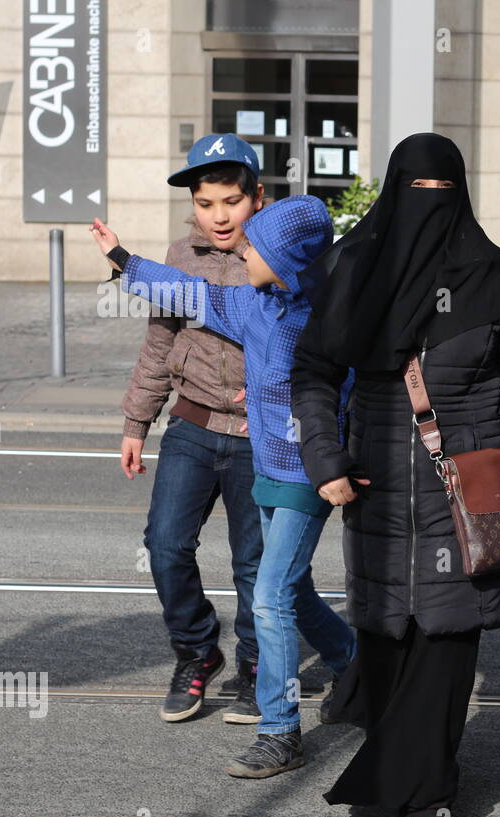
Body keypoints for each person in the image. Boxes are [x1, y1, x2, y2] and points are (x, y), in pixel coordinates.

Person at [290, 133, 500, 817]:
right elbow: (312, 375)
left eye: (440, 192)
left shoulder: (497, 278)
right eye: (416, 191)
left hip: (473, 494)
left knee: (446, 650)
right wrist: (323, 457)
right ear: (396, 191)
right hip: (377, 489)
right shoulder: (352, 268)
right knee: (389, 641)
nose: (429, 206)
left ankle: (431, 801)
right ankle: (403, 769)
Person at [90, 196, 358, 777]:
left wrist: (338, 455)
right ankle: (353, 662)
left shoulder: (329, 320)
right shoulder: (254, 303)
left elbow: (350, 395)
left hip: (306, 472)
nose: (242, 247)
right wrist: (124, 259)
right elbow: (192, 294)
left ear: (287, 259)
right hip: (267, 463)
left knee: (269, 596)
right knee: (293, 589)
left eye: (255, 245)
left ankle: (280, 731)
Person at [117, 133, 266, 724]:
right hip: (192, 426)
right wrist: (136, 423)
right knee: (165, 545)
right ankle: (198, 652)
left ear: (256, 196)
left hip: (259, 438)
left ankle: (256, 666)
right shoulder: (180, 258)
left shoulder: (281, 252)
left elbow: (304, 339)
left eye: (231, 200)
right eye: (207, 204)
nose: (219, 215)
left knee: (253, 562)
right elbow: (159, 346)